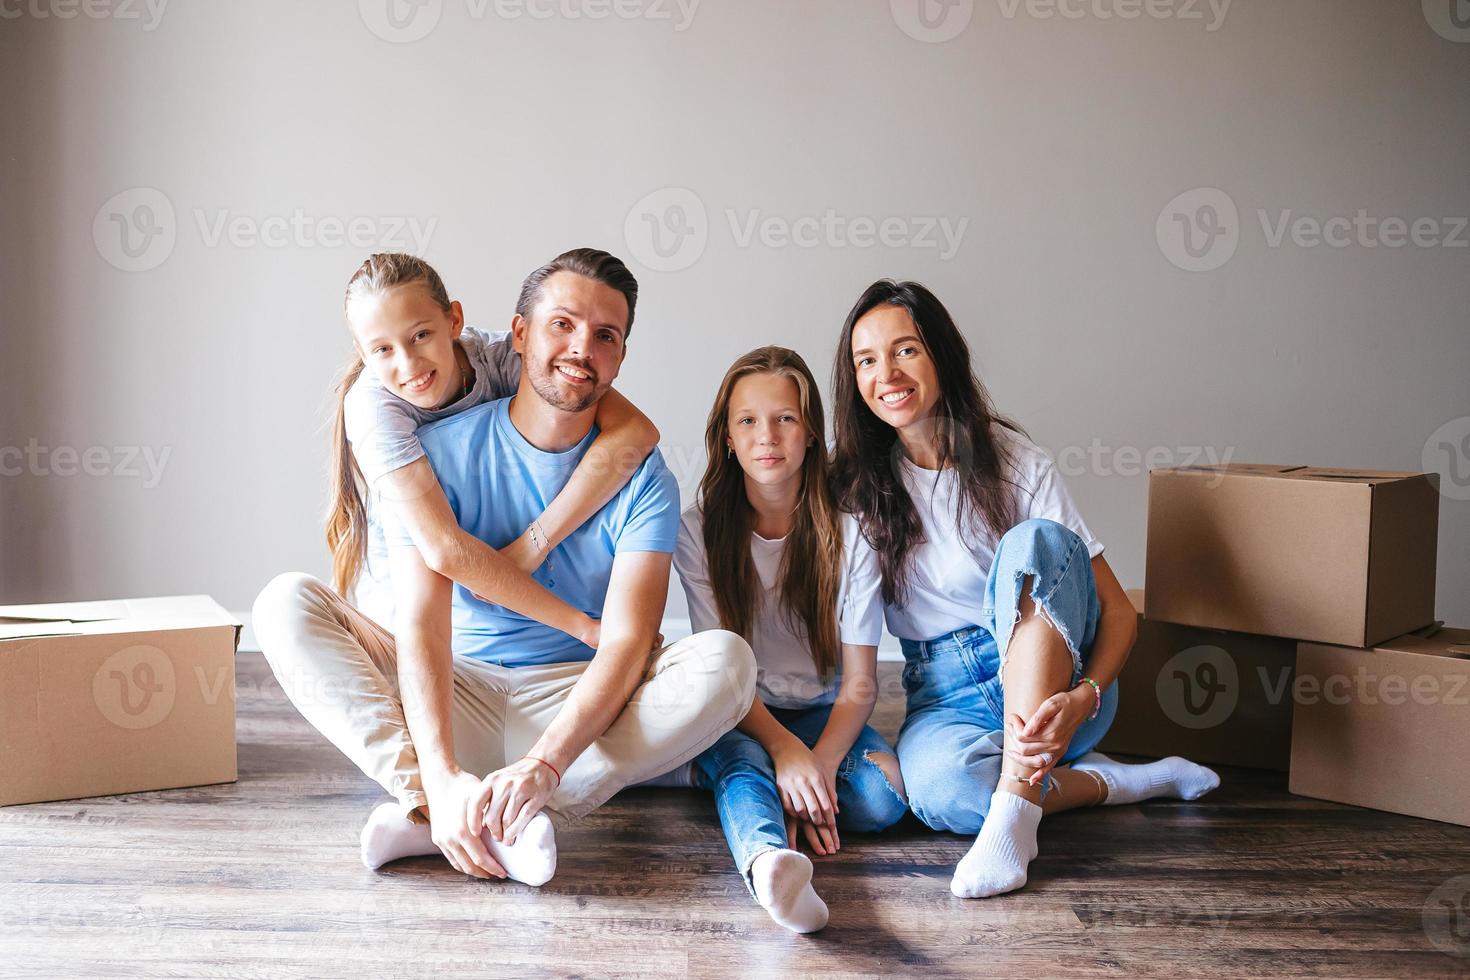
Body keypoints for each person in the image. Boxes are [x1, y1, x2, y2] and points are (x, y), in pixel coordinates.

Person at [253, 248, 756, 885]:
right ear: (520, 334)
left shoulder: (639, 470)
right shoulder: (404, 429)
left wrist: (547, 762)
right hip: (454, 680)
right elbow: (428, 610)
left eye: (606, 335)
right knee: (284, 604)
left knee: (728, 663)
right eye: (562, 325)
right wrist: (438, 767)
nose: (581, 348)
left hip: (570, 696)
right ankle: (436, 799)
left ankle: (500, 806)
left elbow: (626, 638)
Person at [829, 280, 1219, 899]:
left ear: (941, 356)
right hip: (944, 695)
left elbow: (1118, 612)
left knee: (1034, 540)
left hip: (1057, 682)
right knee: (942, 796)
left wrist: (1086, 695)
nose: (887, 374)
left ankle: (1015, 808)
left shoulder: (1015, 460)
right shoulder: (852, 487)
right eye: (867, 360)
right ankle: (1115, 784)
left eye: (905, 350)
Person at [675, 347, 908, 934]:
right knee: (745, 761)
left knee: (882, 799)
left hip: (826, 712)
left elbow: (861, 680)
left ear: (810, 432)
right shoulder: (697, 531)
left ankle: (772, 795)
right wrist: (783, 750)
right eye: (747, 420)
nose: (766, 436)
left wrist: (819, 765)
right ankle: (768, 865)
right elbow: (720, 675)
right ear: (727, 437)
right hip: (738, 711)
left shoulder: (851, 529)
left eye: (785, 417)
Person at [326, 251, 659, 637]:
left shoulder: (501, 359)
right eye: (383, 349)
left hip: (497, 579)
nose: (409, 364)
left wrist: (534, 544)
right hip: (404, 595)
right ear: (362, 351)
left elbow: (636, 431)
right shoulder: (374, 408)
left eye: (421, 335)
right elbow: (442, 549)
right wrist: (582, 627)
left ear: (454, 320)